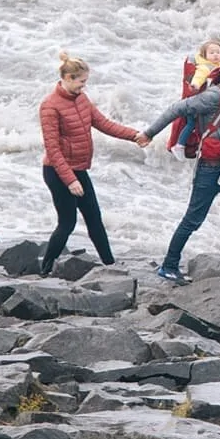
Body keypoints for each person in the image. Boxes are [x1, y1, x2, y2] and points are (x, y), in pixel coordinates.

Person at [141, 56, 220, 283]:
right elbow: (177, 109)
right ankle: (169, 266)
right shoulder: (215, 95)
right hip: (209, 168)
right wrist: (149, 133)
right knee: (193, 219)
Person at [38, 51, 149, 276]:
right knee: (67, 223)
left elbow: (104, 124)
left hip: (79, 169)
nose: (83, 87)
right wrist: (69, 181)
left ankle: (110, 265)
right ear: (67, 78)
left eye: (85, 82)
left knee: (94, 218)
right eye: (81, 82)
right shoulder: (50, 106)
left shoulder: (82, 99)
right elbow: (53, 149)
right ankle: (45, 268)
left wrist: (135, 135)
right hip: (58, 172)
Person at [167, 37, 220, 160]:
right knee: (191, 124)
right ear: (204, 56)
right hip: (195, 101)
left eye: (218, 52)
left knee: (201, 125)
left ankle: (202, 148)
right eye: (212, 53)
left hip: (203, 101)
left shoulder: (218, 66)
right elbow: (199, 76)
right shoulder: (205, 67)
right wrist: (195, 85)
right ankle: (179, 145)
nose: (215, 55)